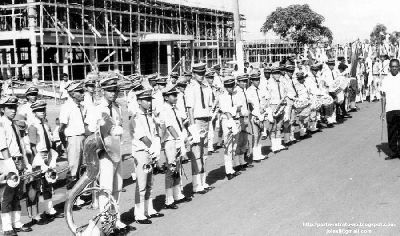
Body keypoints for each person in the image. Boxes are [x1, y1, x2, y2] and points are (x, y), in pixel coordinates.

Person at [85, 76, 134, 232]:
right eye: (109, 90)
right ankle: (106, 222)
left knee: (117, 187)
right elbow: (90, 130)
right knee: (106, 189)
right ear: (103, 91)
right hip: (104, 153)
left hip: (116, 150)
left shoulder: (117, 108)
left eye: (115, 90)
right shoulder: (97, 108)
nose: (113, 93)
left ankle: (116, 219)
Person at [0, 96, 33, 236]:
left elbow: (20, 146)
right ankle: (7, 226)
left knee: (17, 194)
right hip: (7, 162)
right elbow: (3, 147)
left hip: (18, 160)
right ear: (2, 109)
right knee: (7, 195)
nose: (13, 110)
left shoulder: (13, 124)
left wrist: (26, 164)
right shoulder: (1, 124)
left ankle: (16, 222)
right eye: (10, 108)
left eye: (14, 107)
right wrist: (10, 166)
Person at [27, 100, 63, 225]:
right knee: (36, 186)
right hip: (38, 157)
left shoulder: (45, 124)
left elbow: (50, 140)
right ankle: (35, 215)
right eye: (38, 110)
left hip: (48, 155)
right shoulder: (33, 126)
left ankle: (49, 209)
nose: (42, 112)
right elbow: (32, 146)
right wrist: (36, 161)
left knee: (48, 183)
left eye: (43, 109)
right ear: (34, 112)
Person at [131, 89, 164, 224]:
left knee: (150, 182)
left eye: (150, 100)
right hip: (142, 152)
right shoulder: (136, 117)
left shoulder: (149, 116)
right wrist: (153, 148)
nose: (149, 103)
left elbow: (155, 134)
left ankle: (148, 209)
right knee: (142, 183)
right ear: (139, 101)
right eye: (146, 100)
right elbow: (143, 138)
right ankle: (139, 213)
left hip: (150, 152)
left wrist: (156, 147)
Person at [159, 85, 192, 209]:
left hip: (178, 139)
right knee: (171, 169)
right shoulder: (164, 109)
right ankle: (169, 199)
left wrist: (187, 133)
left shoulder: (175, 108)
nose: (176, 97)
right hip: (171, 141)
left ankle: (178, 194)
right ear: (166, 97)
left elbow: (181, 122)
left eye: (176, 95)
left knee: (177, 167)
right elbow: (169, 127)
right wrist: (178, 140)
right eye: (173, 95)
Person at [185, 62, 213, 194]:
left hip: (206, 120)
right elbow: (190, 109)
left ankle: (203, 180)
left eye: (203, 73)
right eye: (198, 74)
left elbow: (209, 105)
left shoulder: (206, 86)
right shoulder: (190, 88)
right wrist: (192, 127)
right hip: (196, 121)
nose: (201, 76)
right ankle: (196, 184)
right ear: (193, 74)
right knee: (196, 153)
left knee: (204, 153)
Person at [58, 81, 86, 206]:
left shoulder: (80, 106)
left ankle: (77, 195)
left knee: (80, 168)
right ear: (72, 94)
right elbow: (61, 129)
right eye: (79, 92)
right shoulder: (66, 107)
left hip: (81, 137)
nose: (82, 93)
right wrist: (66, 144)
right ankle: (70, 198)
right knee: (73, 169)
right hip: (73, 139)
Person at [219, 76, 243, 180]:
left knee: (234, 146)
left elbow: (239, 107)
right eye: (228, 86)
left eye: (232, 86)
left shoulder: (236, 94)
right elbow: (225, 110)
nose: (230, 88)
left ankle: (232, 168)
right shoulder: (222, 96)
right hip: (227, 121)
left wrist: (232, 110)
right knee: (228, 147)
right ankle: (228, 171)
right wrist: (233, 111)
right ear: (225, 86)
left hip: (236, 120)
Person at [246, 71, 269, 161]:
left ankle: (258, 153)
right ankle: (255, 155)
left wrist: (264, 108)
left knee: (259, 134)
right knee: (255, 135)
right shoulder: (249, 91)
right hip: (254, 115)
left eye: (258, 79)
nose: (257, 81)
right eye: (255, 80)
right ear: (251, 80)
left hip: (261, 114)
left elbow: (263, 100)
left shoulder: (260, 90)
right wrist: (257, 114)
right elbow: (250, 106)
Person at [381, 59, 400, 160]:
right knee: (392, 132)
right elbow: (383, 96)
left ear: (399, 67)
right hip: (390, 109)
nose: (394, 68)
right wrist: (383, 111)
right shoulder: (386, 79)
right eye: (392, 66)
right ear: (389, 67)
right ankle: (394, 152)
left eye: (396, 66)